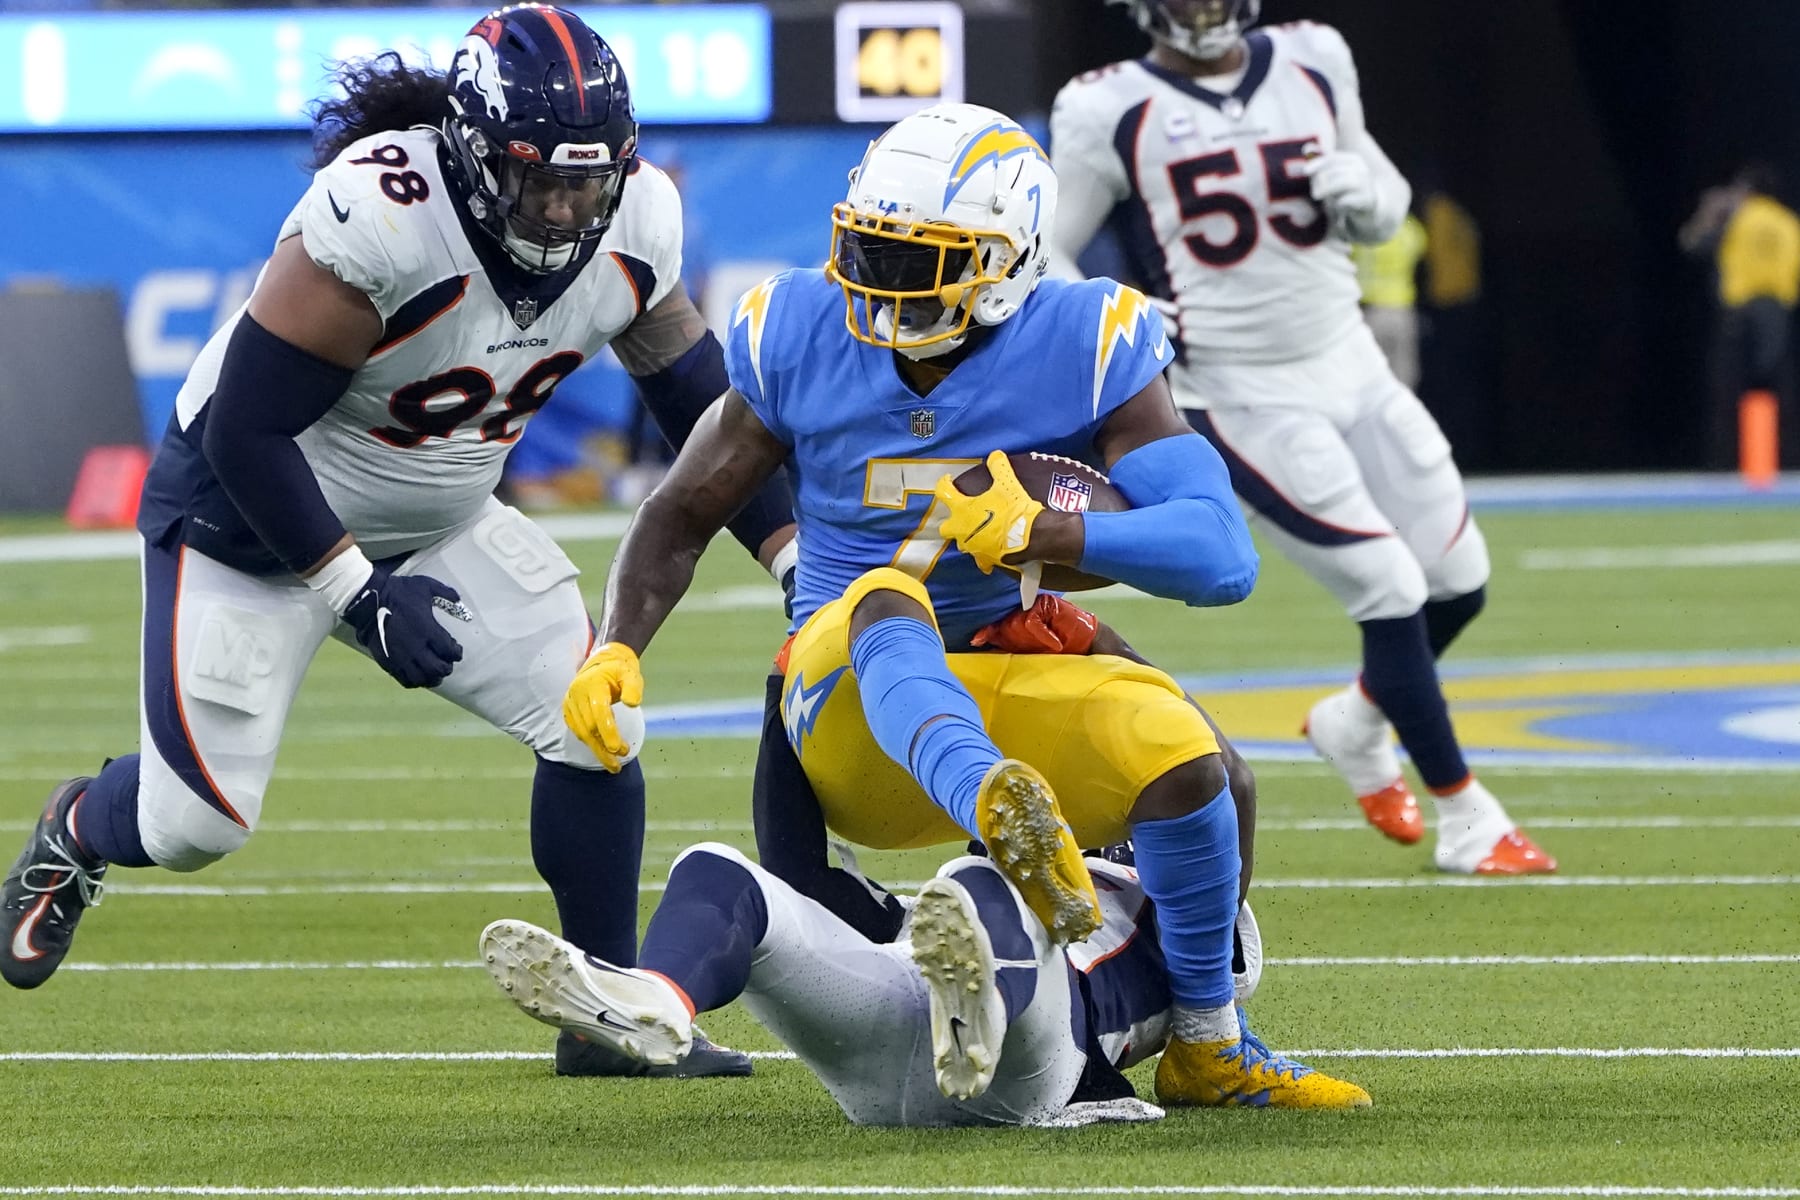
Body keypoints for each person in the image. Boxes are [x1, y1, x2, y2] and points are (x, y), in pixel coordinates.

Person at [0, 3, 799, 1081]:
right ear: (471, 159)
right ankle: (78, 830)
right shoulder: (380, 216)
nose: (567, 210)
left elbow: (707, 416)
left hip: (441, 515)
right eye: (539, 181)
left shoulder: (634, 223)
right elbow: (246, 426)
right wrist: (357, 592)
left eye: (589, 182)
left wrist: (797, 557)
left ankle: (605, 1014)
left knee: (593, 716)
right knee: (196, 824)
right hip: (252, 519)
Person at [557, 100, 1368, 1108]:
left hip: (999, 652)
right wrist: (618, 647)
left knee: (1189, 762)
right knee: (882, 596)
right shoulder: (800, 324)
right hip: (846, 693)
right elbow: (679, 514)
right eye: (873, 249)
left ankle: (1208, 1039)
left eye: (923, 259)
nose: (883, 283)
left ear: (1013, 261)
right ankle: (994, 800)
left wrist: (1055, 533)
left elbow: (1221, 556)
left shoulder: (1084, 336)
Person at [1047, 0, 1555, 875]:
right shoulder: (1106, 105)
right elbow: (1049, 249)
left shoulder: (1315, 56)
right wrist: (1110, 307)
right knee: (1390, 584)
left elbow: (1386, 194)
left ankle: (1354, 725)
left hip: (1352, 360)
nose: (1204, 12)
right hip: (1239, 391)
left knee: (1458, 580)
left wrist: (1371, 198)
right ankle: (1468, 816)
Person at [481, 842, 1291, 1124]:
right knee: (725, 874)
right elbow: (805, 867)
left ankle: (979, 1011)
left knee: (981, 885)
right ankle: (662, 996)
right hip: (897, 1031)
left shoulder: (1190, 911)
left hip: (1039, 1065)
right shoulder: (961, 893)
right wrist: (791, 674)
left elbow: (1211, 814)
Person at [1678, 164, 1800, 471]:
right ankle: (1784, 465)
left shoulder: (1736, 219)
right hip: (1778, 314)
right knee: (1782, 395)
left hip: (1740, 314)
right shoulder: (1789, 223)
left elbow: (1691, 244)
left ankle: (1726, 466)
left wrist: (1709, 212)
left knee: (1729, 392)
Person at [1352, 211, 1427, 391]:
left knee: (1366, 378)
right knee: (1403, 378)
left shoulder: (1362, 230)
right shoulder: (1411, 228)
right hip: (1402, 310)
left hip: (1370, 311)